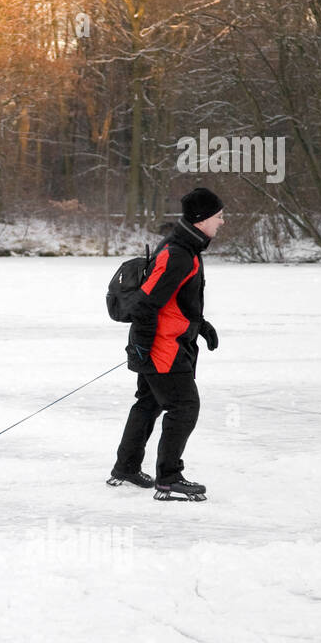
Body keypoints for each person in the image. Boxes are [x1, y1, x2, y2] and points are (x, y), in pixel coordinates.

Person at [108, 187, 225, 501]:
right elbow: (146, 305)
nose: (222, 222)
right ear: (201, 220)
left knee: (149, 402)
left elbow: (174, 301)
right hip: (162, 346)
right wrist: (144, 347)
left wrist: (200, 324)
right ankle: (169, 477)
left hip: (163, 341)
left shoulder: (185, 249)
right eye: (218, 216)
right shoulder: (177, 255)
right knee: (184, 406)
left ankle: (126, 467)